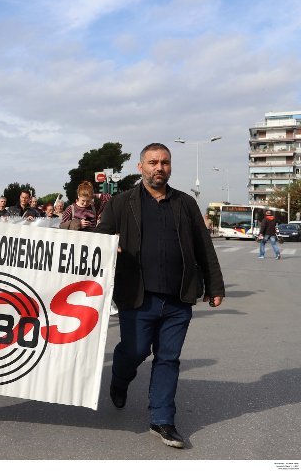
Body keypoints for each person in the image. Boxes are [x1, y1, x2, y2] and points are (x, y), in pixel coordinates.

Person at [96, 142, 225, 449]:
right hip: (136, 296)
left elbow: (203, 245)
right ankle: (120, 378)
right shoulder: (122, 201)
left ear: (170, 167)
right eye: (153, 162)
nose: (159, 168)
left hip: (178, 298)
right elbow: (102, 232)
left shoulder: (184, 204)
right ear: (140, 167)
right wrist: (107, 243)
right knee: (136, 350)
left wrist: (215, 285)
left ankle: (162, 420)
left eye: (165, 162)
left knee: (168, 358)